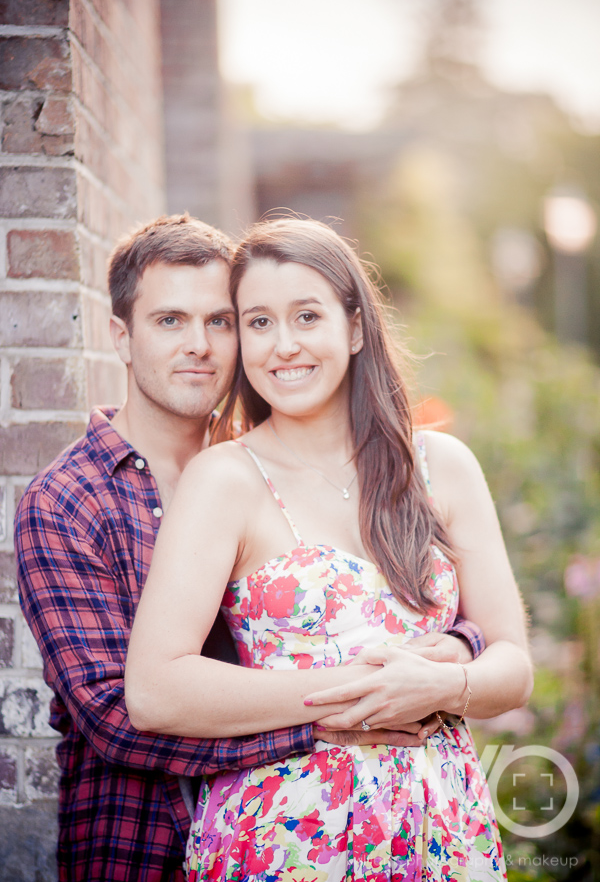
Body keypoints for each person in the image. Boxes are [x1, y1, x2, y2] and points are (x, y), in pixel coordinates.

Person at [15, 213, 482, 882]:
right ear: (121, 337)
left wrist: (456, 648)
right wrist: (339, 721)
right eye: (170, 321)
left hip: (308, 840)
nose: (199, 345)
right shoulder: (67, 503)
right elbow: (119, 716)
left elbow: (368, 612)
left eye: (222, 322)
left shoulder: (271, 467)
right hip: (141, 845)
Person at [125, 217, 533, 881]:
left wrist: (445, 683)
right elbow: (155, 689)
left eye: (306, 316)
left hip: (440, 826)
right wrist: (369, 688)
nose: (283, 345)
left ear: (355, 327)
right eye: (258, 322)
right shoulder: (225, 479)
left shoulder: (442, 466)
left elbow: (512, 666)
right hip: (285, 835)